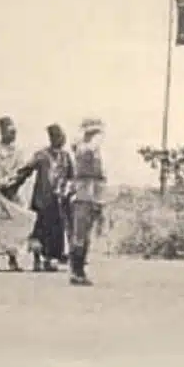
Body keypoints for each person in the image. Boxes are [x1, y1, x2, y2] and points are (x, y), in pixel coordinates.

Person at [8, 124, 74, 272]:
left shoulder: (65, 157)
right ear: (52, 138)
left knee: (56, 230)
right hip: (42, 200)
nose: (61, 139)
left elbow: (71, 176)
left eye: (62, 136)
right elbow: (26, 170)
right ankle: (37, 259)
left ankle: (50, 259)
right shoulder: (41, 155)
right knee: (39, 231)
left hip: (58, 200)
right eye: (57, 137)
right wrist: (12, 184)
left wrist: (68, 190)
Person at [68, 117, 106, 286]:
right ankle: (76, 271)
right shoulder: (84, 149)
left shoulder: (92, 151)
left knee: (85, 235)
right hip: (83, 195)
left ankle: (79, 270)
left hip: (92, 195)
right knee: (80, 235)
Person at [0, 116, 27, 271]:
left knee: (13, 225)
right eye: (10, 132)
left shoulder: (18, 151)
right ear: (2, 131)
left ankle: (12, 259)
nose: (13, 135)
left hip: (13, 191)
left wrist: (13, 184)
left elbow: (21, 171)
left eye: (15, 132)